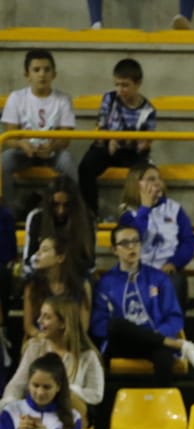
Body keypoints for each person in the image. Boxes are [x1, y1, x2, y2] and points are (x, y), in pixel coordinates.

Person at [90, 223, 194, 384]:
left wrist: (154, 335)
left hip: (154, 342)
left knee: (164, 356)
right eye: (125, 243)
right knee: (115, 325)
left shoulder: (158, 279)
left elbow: (174, 318)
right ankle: (182, 346)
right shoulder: (106, 283)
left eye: (136, 241)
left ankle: (163, 404)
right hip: (121, 343)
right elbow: (98, 324)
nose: (132, 247)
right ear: (114, 250)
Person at [4, 295, 104, 422]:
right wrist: (9, 407)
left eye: (47, 317)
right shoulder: (35, 347)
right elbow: (17, 386)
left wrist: (68, 389)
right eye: (41, 315)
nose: (39, 321)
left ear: (63, 323)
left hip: (68, 415)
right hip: (34, 412)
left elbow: (96, 394)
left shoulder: (88, 355)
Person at [77, 58, 155, 216]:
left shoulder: (148, 110)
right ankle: (90, 213)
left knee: (147, 172)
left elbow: (146, 141)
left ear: (138, 83)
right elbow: (101, 125)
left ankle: (140, 213)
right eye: (117, 85)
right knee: (85, 167)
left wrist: (141, 144)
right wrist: (108, 139)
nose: (120, 90)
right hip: (107, 147)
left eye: (125, 85)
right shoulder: (109, 99)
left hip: (130, 152)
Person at [2, 51, 75, 216]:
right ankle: (8, 213)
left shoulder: (63, 99)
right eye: (36, 70)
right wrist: (22, 144)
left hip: (52, 151)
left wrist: (52, 146)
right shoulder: (16, 97)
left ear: (54, 74)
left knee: (68, 162)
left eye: (46, 69)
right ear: (27, 75)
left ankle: (71, 213)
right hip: (24, 150)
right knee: (3, 162)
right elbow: (10, 136)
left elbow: (66, 137)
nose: (42, 74)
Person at [117, 162, 194, 309]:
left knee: (174, 282)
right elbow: (132, 241)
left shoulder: (174, 209)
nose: (157, 183)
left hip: (169, 270)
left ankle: (171, 329)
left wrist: (174, 262)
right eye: (150, 179)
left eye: (158, 178)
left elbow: (189, 241)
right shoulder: (127, 213)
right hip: (138, 270)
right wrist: (145, 209)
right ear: (136, 184)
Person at [0, 353, 82, 429]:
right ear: (28, 383)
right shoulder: (11, 410)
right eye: (35, 385)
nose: (40, 392)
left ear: (58, 386)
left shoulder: (73, 417)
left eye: (46, 387)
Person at [20, 176, 95, 280]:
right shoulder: (36, 217)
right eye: (55, 204)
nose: (61, 210)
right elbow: (28, 261)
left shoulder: (87, 218)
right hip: (42, 274)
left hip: (75, 276)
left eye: (67, 205)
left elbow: (90, 262)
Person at [21, 233, 92, 343]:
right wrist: (44, 338)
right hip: (41, 339)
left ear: (60, 257)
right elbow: (29, 326)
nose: (37, 254)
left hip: (72, 341)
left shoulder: (82, 285)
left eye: (44, 250)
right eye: (38, 249)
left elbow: (83, 327)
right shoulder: (32, 284)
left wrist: (64, 341)